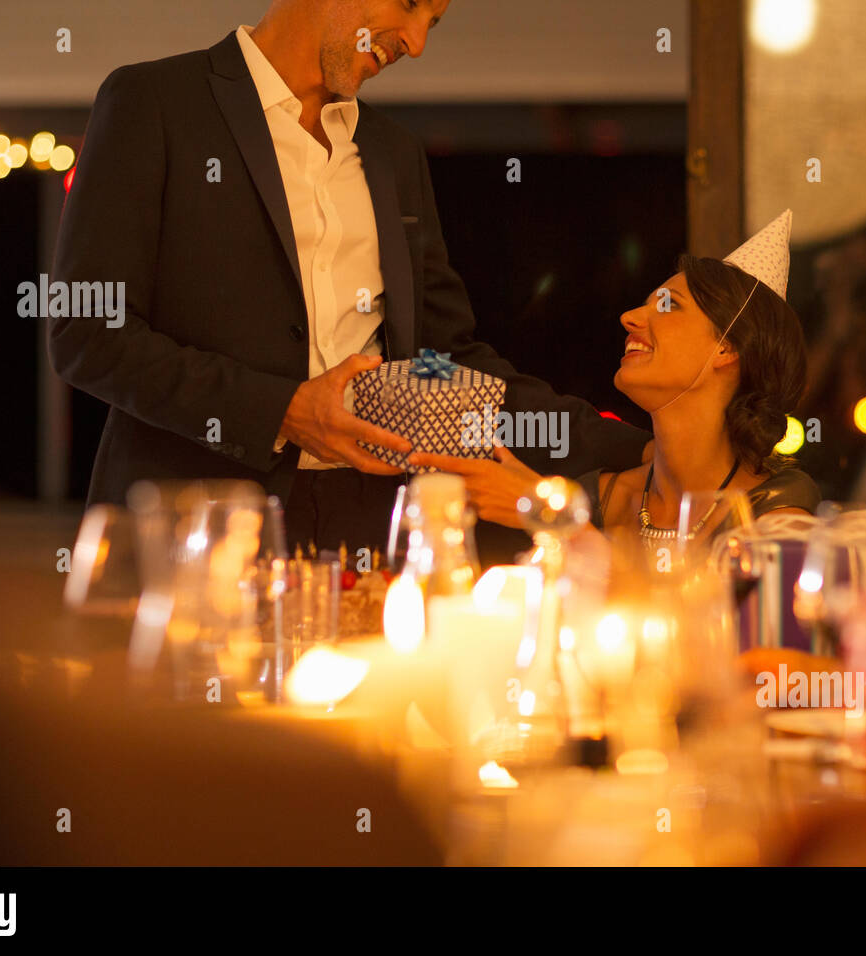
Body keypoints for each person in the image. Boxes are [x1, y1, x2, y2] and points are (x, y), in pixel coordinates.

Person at [48, 0, 650, 558]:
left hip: (370, 535)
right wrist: (285, 411)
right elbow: (88, 335)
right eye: (411, 5)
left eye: (433, 24)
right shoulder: (152, 101)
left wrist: (648, 451)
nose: (415, 44)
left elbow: (447, 361)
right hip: (193, 534)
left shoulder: (393, 152)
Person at [412, 210, 820, 544]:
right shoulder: (600, 497)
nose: (630, 318)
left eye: (668, 305)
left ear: (727, 349)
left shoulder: (777, 516)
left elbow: (728, 633)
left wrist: (545, 513)